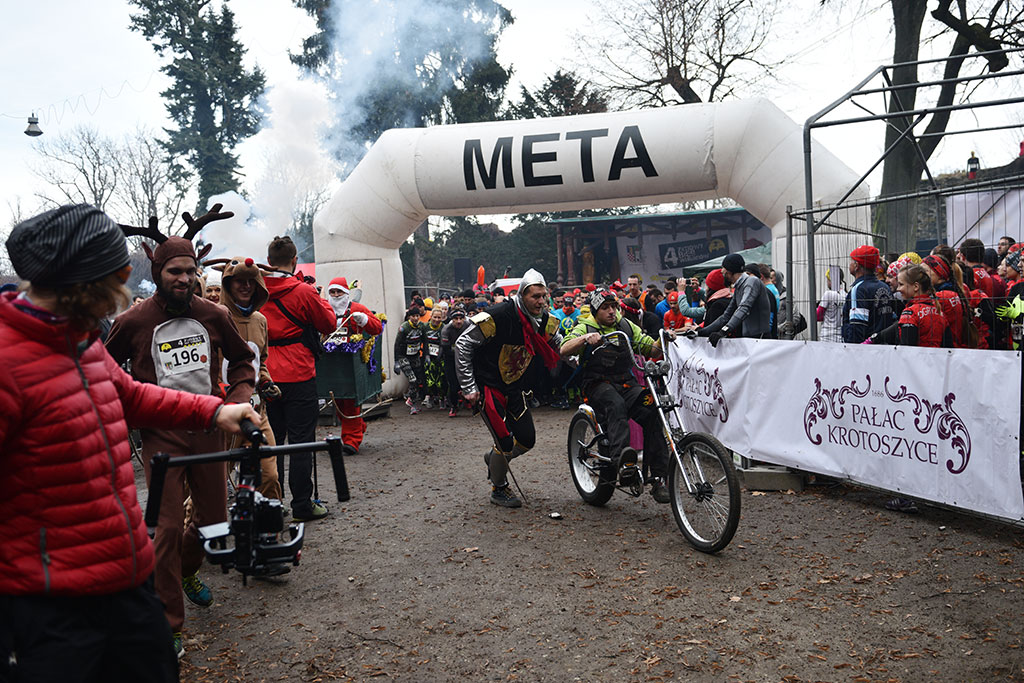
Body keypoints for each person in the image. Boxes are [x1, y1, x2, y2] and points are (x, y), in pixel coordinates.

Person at [0, 204, 259, 678]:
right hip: (51, 601)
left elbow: (132, 395)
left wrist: (217, 409)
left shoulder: (79, 342)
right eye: (115, 276)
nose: (122, 292)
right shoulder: (8, 361)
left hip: (124, 577)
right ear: (81, 282)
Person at [104, 209, 261, 659]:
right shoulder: (134, 321)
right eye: (176, 271)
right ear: (158, 272)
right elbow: (100, 368)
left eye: (192, 271)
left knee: (214, 526)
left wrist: (241, 394)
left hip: (209, 431)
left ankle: (189, 571)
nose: (186, 279)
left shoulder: (213, 313)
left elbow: (243, 361)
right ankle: (170, 624)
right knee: (165, 529)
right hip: (161, 439)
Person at [454, 269, 563, 508]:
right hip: (489, 385)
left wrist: (584, 349)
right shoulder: (497, 315)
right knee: (504, 442)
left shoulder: (545, 319)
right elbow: (462, 344)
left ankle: (495, 461)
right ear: (522, 295)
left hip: (516, 386)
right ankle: (499, 488)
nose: (541, 301)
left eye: (544, 296)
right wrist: (469, 386)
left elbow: (559, 344)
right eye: (535, 296)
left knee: (526, 440)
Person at [560, 287, 675, 503]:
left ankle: (659, 477)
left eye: (613, 306)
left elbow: (651, 350)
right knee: (616, 404)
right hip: (597, 384)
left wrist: (665, 338)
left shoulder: (626, 326)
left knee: (652, 410)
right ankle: (623, 462)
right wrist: (585, 338)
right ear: (595, 311)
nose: (611, 311)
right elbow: (564, 349)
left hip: (626, 382)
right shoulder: (585, 325)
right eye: (605, 308)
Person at [263, 236, 337, 522]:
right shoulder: (304, 291)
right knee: (301, 443)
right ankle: (303, 505)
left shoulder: (255, 290)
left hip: (267, 373)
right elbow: (328, 323)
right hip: (299, 373)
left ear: (268, 261)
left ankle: (272, 504)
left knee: (271, 443)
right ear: (295, 261)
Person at [208, 255, 283, 500]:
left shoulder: (260, 320)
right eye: (238, 280)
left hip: (256, 413)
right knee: (212, 484)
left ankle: (269, 528)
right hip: (224, 416)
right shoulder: (213, 318)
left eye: (251, 281)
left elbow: (260, 361)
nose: (245, 286)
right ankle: (193, 534)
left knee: (270, 476)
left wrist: (266, 381)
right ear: (227, 284)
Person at [324, 276, 383, 452]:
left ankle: (351, 440)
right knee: (338, 401)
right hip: (332, 362)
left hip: (351, 362)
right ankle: (357, 425)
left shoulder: (357, 308)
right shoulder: (325, 308)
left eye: (339, 292)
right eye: (332, 292)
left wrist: (363, 319)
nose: (335, 295)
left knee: (351, 401)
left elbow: (377, 327)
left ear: (346, 293)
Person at [698, 253, 771, 346]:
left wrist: (724, 331)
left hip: (760, 339)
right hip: (750, 340)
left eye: (723, 268)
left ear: (729, 272)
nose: (722, 272)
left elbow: (744, 308)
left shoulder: (752, 281)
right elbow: (726, 316)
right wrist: (701, 332)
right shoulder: (739, 287)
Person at [841, 245, 894, 343]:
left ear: (856, 266)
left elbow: (857, 327)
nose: (849, 264)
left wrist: (851, 349)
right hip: (884, 347)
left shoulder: (859, 289)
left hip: (865, 350)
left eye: (851, 261)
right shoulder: (884, 286)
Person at [394, 307, 427, 414]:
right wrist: (396, 362)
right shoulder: (404, 328)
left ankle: (410, 397)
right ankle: (412, 403)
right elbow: (397, 344)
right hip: (403, 356)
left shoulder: (421, 326)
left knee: (419, 380)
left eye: (417, 316)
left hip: (415, 355)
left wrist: (426, 356)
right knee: (412, 379)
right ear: (409, 317)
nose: (416, 318)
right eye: (413, 316)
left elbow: (425, 341)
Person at [441, 305, 469, 417]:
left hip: (465, 358)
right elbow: (446, 348)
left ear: (464, 319)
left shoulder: (468, 326)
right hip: (450, 358)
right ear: (451, 320)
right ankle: (454, 406)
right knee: (453, 384)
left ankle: (472, 403)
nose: (458, 321)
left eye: (460, 319)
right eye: (455, 319)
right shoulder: (446, 329)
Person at [422, 306, 446, 409]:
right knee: (429, 380)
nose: (436, 320)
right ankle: (430, 397)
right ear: (431, 316)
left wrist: (439, 355)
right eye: (435, 317)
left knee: (441, 380)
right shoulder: (425, 327)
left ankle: (442, 398)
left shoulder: (444, 327)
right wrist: (426, 355)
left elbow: (443, 343)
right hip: (428, 355)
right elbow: (424, 342)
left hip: (440, 356)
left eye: (439, 317)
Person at [817, 268, 846, 343]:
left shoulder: (828, 294)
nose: (827, 282)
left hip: (826, 336)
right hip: (840, 336)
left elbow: (818, 316)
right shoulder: (845, 294)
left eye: (828, 279)